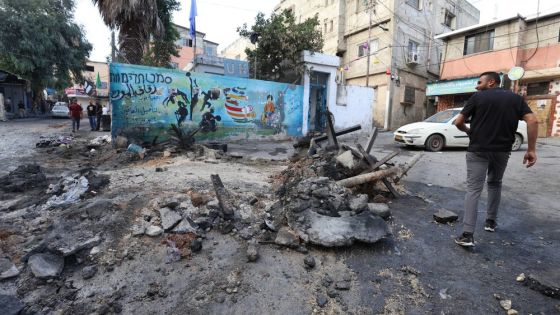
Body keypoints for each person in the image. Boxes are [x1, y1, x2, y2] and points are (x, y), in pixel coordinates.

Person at [453, 71, 538, 247]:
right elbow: (532, 121)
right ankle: (490, 222)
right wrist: (531, 149)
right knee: (494, 183)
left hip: (478, 150)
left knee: (473, 189)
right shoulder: (516, 99)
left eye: (479, 82)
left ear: (491, 82)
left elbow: (458, 122)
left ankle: (467, 235)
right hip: (502, 151)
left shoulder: (478, 98)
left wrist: (469, 131)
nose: (477, 85)